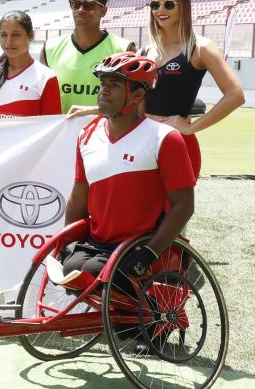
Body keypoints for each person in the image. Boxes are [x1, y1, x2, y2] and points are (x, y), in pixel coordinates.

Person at [60, 52, 195, 287]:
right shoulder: (87, 135)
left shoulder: (165, 138)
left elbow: (184, 205)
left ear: (138, 94)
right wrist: (67, 242)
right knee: (71, 268)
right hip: (96, 244)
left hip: (140, 246)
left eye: (114, 85)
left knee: (96, 272)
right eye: (102, 84)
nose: (103, 91)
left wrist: (150, 252)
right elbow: (78, 197)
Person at [140, 0, 244, 175]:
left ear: (183, 8)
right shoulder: (146, 50)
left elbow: (235, 95)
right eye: (155, 5)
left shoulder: (200, 48)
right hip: (143, 141)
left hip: (177, 143)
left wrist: (191, 128)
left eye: (169, 5)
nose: (160, 10)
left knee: (177, 206)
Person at [41, 0, 133, 113]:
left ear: (103, 11)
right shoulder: (49, 49)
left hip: (104, 133)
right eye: (76, 4)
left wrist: (93, 111)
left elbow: (133, 102)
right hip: (60, 132)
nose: (80, 9)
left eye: (88, 5)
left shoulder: (124, 50)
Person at [0, 11, 61, 119]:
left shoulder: (46, 77)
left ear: (31, 35)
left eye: (16, 35)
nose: (9, 42)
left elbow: (50, 125)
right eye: (4, 35)